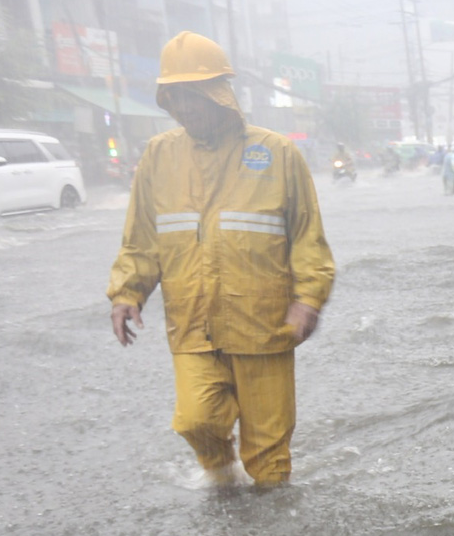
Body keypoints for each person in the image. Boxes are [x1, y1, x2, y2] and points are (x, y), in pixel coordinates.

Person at [106, 32, 335, 487]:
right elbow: (142, 237)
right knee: (196, 420)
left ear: (220, 94)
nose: (186, 107)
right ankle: (222, 480)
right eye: (175, 96)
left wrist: (308, 298)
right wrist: (127, 292)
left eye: (194, 95)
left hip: (263, 326)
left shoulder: (277, 153)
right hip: (193, 323)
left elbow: (308, 236)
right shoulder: (159, 156)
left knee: (269, 458)